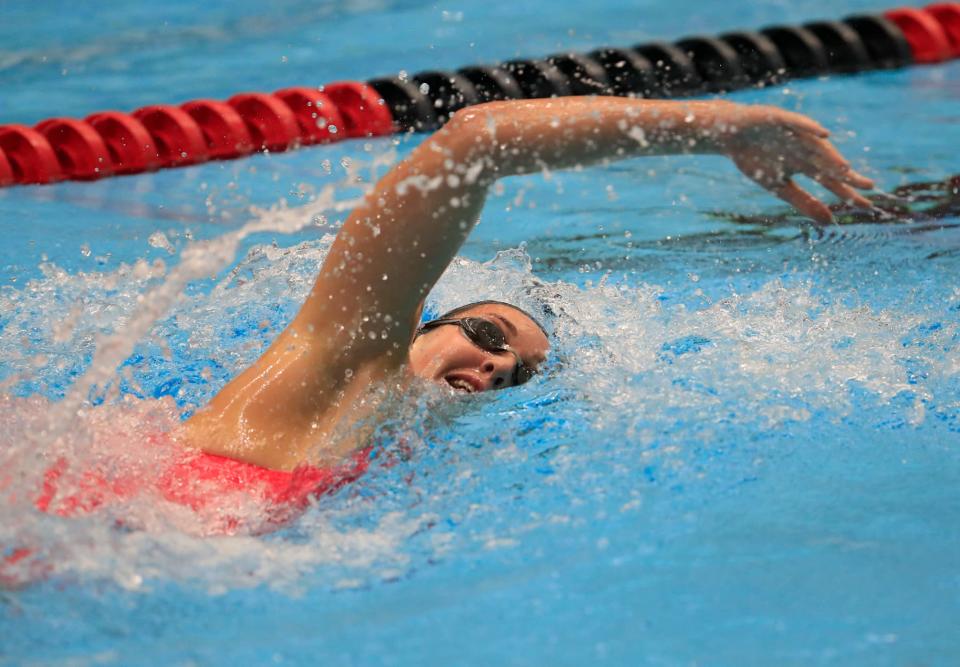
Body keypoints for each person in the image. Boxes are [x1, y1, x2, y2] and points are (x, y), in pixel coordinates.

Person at [179, 95, 874, 473]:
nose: (498, 363)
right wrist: (719, 127)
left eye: (517, 374)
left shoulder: (380, 457)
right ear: (420, 322)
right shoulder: (339, 361)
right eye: (487, 334)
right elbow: (475, 139)